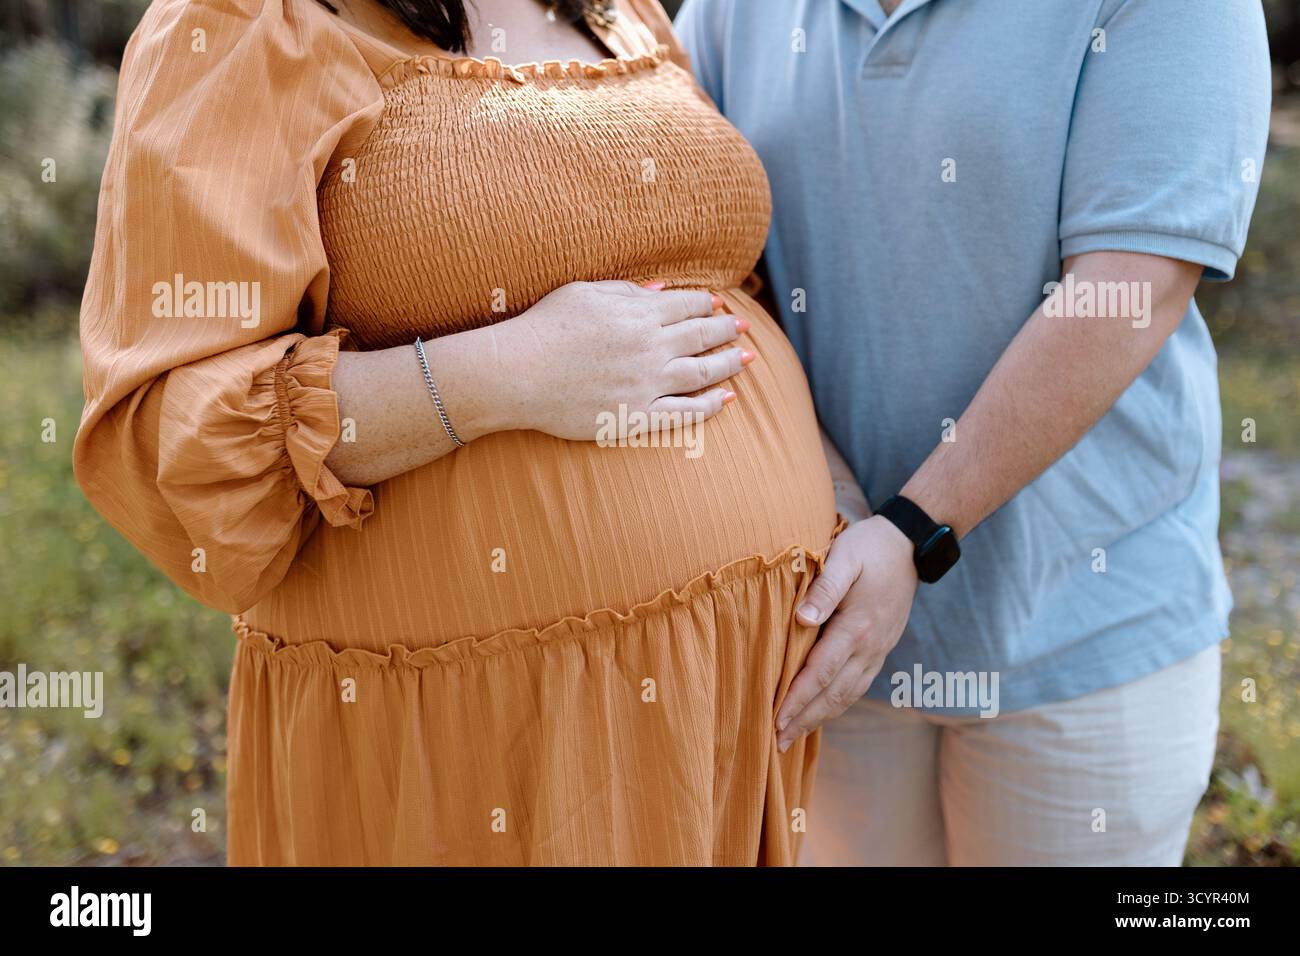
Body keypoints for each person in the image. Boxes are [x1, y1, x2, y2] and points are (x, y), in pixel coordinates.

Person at [74, 0, 843, 865]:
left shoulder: (617, 13)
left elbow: (730, 296)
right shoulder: (246, 23)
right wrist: (511, 374)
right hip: (480, 736)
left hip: (736, 703)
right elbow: (174, 425)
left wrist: (855, 525)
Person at [677, 0, 1272, 865]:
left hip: (1080, 637)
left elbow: (1132, 284)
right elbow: (713, 253)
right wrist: (841, 499)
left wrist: (914, 529)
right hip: (825, 631)